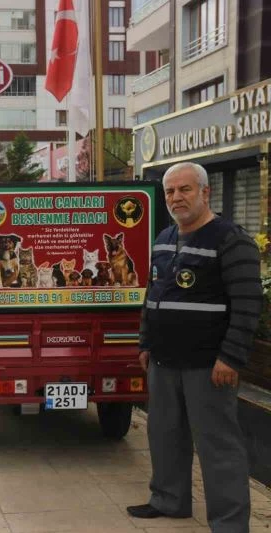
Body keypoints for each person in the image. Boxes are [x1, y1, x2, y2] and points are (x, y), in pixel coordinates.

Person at [127, 161, 261, 533]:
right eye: (170, 191)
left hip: (209, 365)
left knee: (218, 446)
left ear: (206, 193)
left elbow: (248, 303)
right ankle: (169, 500)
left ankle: (230, 523)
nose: (176, 198)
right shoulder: (165, 238)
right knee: (164, 435)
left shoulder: (231, 240)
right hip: (164, 361)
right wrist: (145, 342)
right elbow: (153, 296)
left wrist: (230, 357)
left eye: (185, 189)